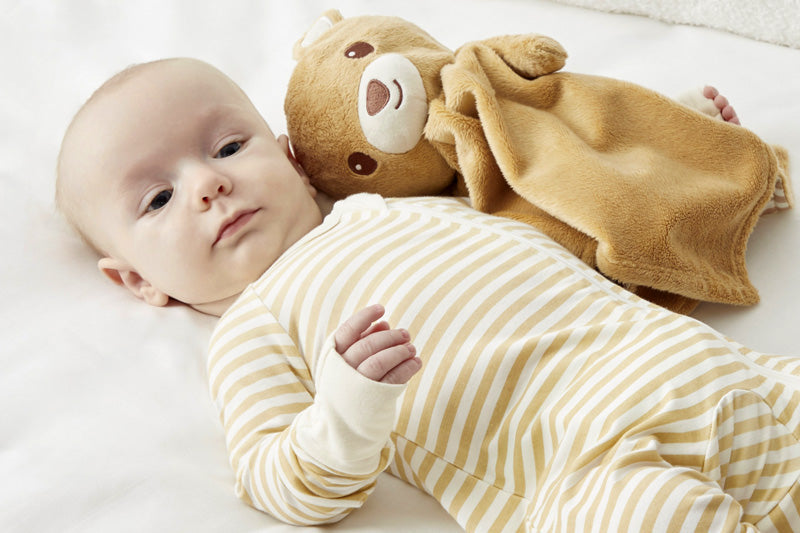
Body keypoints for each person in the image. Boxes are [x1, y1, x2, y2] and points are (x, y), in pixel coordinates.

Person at [57, 58, 800, 532]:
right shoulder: (253, 328)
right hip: (591, 464)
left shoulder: (414, 206)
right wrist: (347, 410)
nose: (207, 184)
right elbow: (277, 481)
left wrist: (680, 145)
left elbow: (579, 211)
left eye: (227, 147)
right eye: (158, 199)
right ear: (136, 279)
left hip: (713, 373)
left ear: (292, 160)